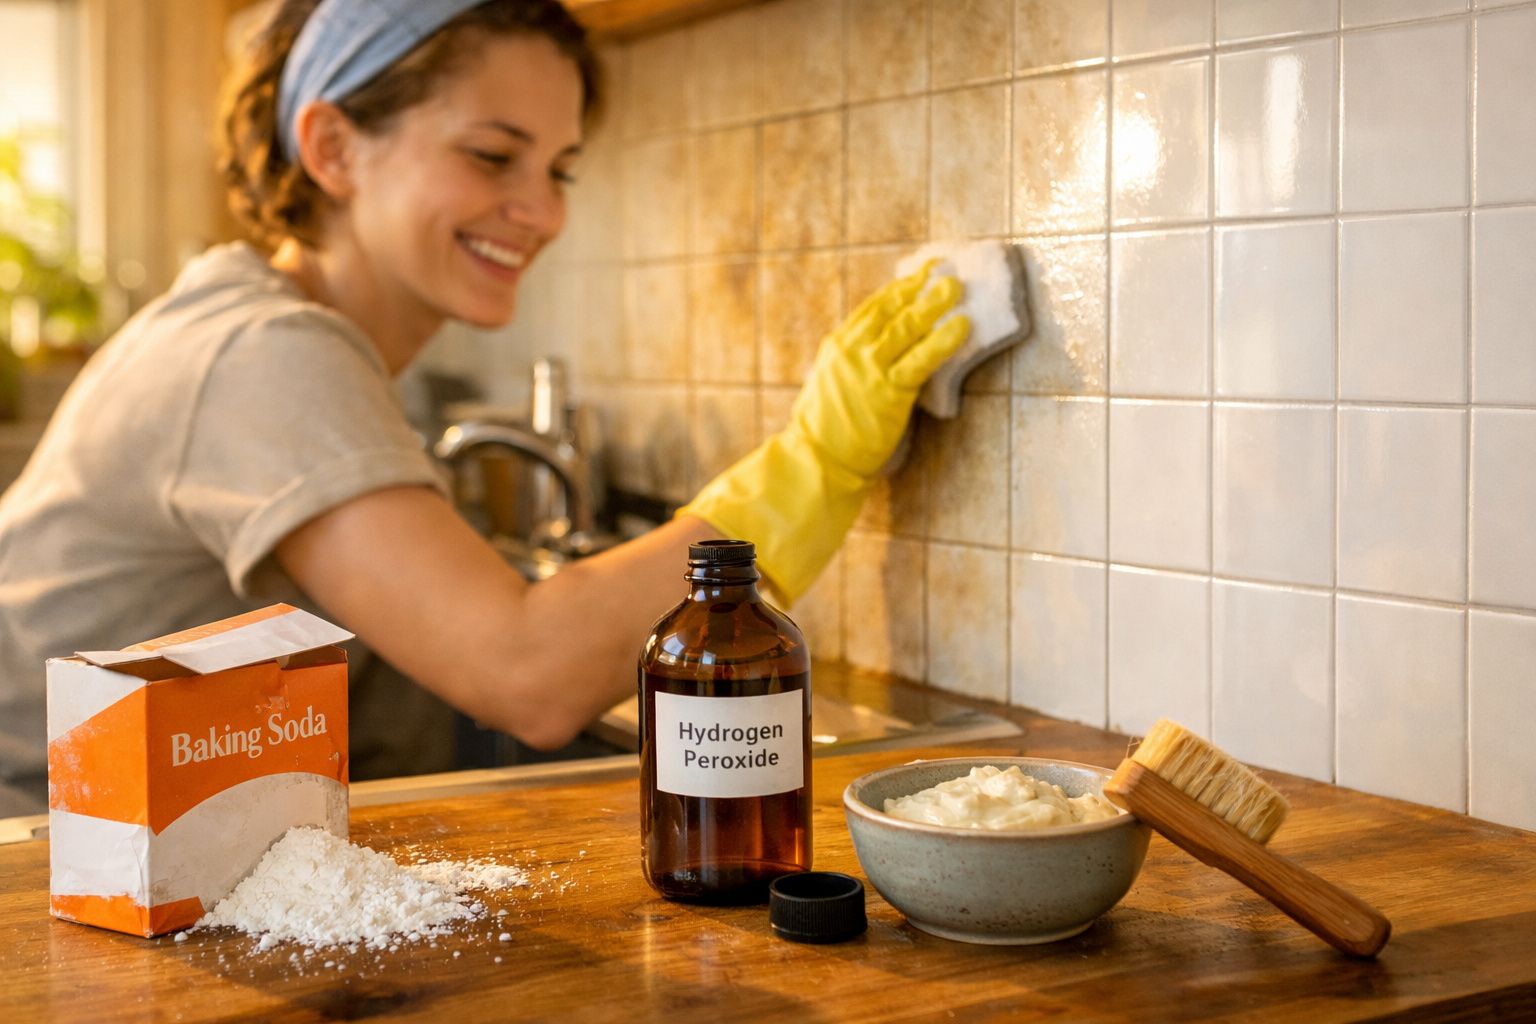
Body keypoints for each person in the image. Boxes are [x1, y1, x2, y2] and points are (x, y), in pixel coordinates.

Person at [0, 0, 969, 813]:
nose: (544, 212)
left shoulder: (266, 323)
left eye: (558, 169)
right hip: (39, 865)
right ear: (334, 148)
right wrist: (813, 465)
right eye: (493, 156)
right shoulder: (264, 353)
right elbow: (527, 674)